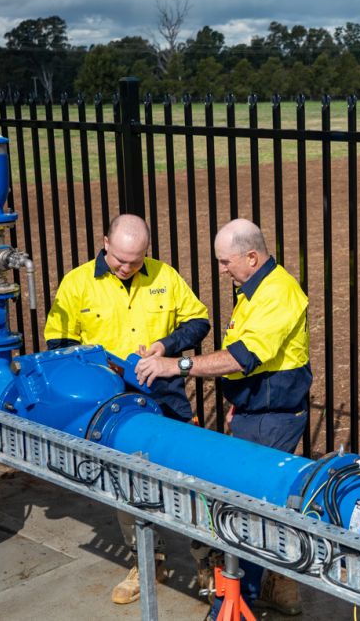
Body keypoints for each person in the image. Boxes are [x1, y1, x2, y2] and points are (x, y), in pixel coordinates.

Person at [135, 217, 311, 616]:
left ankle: (239, 598)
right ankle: (246, 589)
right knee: (245, 501)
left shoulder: (278, 294)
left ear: (252, 255)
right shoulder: (254, 287)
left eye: (225, 261)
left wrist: (176, 366)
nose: (222, 269)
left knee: (250, 506)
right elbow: (251, 360)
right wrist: (238, 401)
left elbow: (242, 356)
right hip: (255, 411)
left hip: (274, 417)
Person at [44, 213, 211, 605]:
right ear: (105, 243)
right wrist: (97, 370)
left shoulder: (164, 276)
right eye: (119, 258)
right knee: (126, 482)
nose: (125, 267)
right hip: (111, 401)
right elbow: (58, 344)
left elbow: (199, 320)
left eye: (135, 261)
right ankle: (147, 561)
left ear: (146, 253)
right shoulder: (77, 283)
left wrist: (166, 347)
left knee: (187, 478)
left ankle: (207, 562)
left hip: (164, 393)